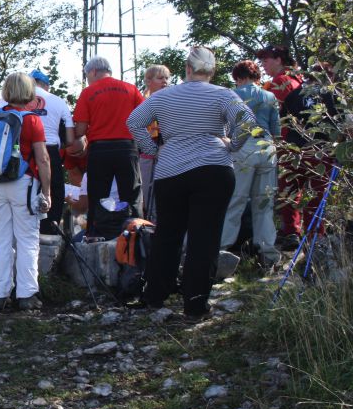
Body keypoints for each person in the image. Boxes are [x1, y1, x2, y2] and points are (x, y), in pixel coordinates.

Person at [127, 46, 255, 318]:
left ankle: (155, 295)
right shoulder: (223, 94)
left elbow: (134, 121)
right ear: (212, 70)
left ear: (187, 69)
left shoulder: (164, 96)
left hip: (171, 169)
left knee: (168, 234)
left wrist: (153, 148)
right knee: (204, 238)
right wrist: (232, 145)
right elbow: (247, 121)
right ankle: (195, 303)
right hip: (214, 168)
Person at [0, 73, 51, 311]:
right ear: (29, 92)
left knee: (0, 239)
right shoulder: (32, 120)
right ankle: (26, 294)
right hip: (23, 184)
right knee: (27, 240)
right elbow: (42, 159)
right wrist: (47, 191)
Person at [258, 45, 332, 249]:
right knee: (316, 192)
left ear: (279, 59)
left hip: (291, 146)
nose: (263, 65)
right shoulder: (297, 82)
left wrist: (277, 144)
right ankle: (315, 235)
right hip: (318, 147)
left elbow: (276, 119)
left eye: (266, 60)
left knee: (289, 190)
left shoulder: (279, 84)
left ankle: (292, 231)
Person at [73, 56, 145, 234]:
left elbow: (80, 129)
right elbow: (145, 118)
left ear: (93, 72)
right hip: (127, 147)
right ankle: (136, 236)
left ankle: (95, 234)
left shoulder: (88, 92)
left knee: (98, 196)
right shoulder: (131, 89)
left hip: (100, 149)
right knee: (132, 196)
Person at [220, 61, 280, 268]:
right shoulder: (270, 96)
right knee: (264, 203)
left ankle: (223, 250)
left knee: (235, 201)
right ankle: (267, 252)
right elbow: (276, 130)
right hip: (267, 146)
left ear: (238, 77)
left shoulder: (232, 94)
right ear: (256, 76)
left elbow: (225, 128)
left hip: (243, 146)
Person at [29, 69, 81, 234]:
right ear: (46, 85)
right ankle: (50, 229)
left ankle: (28, 229)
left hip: (25, 149)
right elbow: (71, 138)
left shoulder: (18, 99)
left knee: (25, 190)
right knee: (54, 190)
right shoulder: (58, 101)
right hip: (50, 149)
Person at [139, 65, 171, 220]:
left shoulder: (173, 101)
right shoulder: (143, 102)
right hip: (148, 154)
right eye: (160, 78)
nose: (164, 81)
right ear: (149, 81)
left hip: (169, 153)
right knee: (147, 194)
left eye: (166, 78)